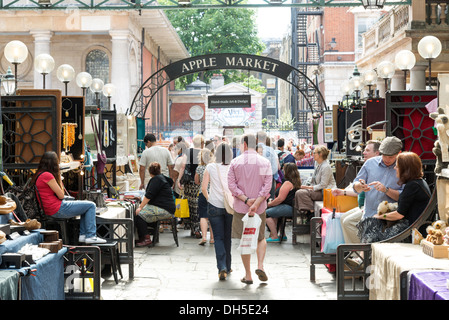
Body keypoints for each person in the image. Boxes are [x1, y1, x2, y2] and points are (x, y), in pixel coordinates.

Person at [33, 151, 106, 244]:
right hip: (57, 208)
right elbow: (61, 195)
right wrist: (59, 177)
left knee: (84, 206)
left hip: (51, 208)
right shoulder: (47, 175)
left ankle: (84, 235)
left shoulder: (40, 173)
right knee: (91, 205)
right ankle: (91, 235)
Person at [357, 152, 431, 243]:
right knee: (371, 225)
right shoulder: (418, 182)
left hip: (412, 230)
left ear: (405, 169)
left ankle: (365, 255)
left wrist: (380, 216)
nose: (395, 168)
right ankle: (364, 255)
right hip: (413, 226)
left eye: (397, 166)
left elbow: (399, 214)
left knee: (372, 225)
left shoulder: (412, 186)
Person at [228, 133, 272, 284]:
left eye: (240, 145)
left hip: (241, 208)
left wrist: (246, 200)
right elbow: (267, 186)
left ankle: (248, 275)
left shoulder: (235, 162)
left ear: (245, 145)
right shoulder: (264, 162)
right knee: (260, 237)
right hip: (259, 208)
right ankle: (260, 265)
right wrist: (257, 202)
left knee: (244, 240)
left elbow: (232, 186)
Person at [332, 140, 381, 244]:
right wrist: (342, 192)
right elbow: (358, 190)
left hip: (372, 208)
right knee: (343, 218)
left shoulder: (378, 169)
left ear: (377, 153)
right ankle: (354, 251)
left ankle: (360, 253)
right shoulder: (368, 166)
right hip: (363, 206)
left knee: (348, 222)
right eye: (364, 150)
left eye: (367, 150)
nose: (364, 152)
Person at [201, 143, 234, 280]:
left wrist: (210, 199)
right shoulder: (233, 167)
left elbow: (203, 188)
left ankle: (222, 267)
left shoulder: (210, 167)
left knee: (218, 238)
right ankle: (228, 265)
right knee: (227, 237)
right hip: (230, 206)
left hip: (214, 206)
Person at [352, 136, 404, 220]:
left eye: (391, 157)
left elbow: (403, 197)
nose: (387, 159)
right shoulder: (370, 163)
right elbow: (355, 186)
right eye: (384, 155)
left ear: (399, 153)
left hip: (389, 220)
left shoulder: (403, 168)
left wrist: (386, 190)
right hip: (368, 217)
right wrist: (360, 186)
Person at [135, 162, 176, 247]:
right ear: (159, 170)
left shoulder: (156, 180)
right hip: (167, 207)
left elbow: (149, 195)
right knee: (144, 214)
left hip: (164, 209)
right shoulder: (161, 178)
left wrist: (140, 207)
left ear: (149, 172)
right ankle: (146, 237)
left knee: (139, 215)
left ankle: (146, 239)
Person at [265, 163, 302, 242]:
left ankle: (274, 236)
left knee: (266, 214)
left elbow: (280, 199)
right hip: (292, 207)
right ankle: (283, 234)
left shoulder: (287, 183)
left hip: (287, 207)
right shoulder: (296, 181)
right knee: (275, 213)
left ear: (287, 171)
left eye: (284, 169)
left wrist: (269, 204)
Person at [295, 145, 336, 214]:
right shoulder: (319, 165)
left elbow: (323, 185)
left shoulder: (326, 167)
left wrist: (307, 187)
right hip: (319, 191)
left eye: (314, 153)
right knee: (298, 192)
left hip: (325, 192)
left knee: (300, 193)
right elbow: (313, 180)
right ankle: (306, 211)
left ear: (320, 154)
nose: (312, 154)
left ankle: (311, 212)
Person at [178, 134, 204, 238]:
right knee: (197, 205)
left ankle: (193, 228)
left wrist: (179, 180)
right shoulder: (204, 152)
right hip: (200, 182)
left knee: (191, 205)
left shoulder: (188, 152)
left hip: (189, 182)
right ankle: (196, 229)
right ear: (202, 143)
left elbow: (183, 167)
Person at [195, 148, 214, 245]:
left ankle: (203, 237)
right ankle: (212, 238)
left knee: (203, 215)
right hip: (213, 193)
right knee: (212, 216)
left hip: (203, 192)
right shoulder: (213, 167)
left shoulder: (199, 168)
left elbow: (196, 181)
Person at [257, 131, 280, 199]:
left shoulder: (253, 150)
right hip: (269, 178)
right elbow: (275, 167)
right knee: (269, 198)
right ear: (265, 139)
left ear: (256, 139)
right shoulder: (271, 150)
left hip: (256, 178)